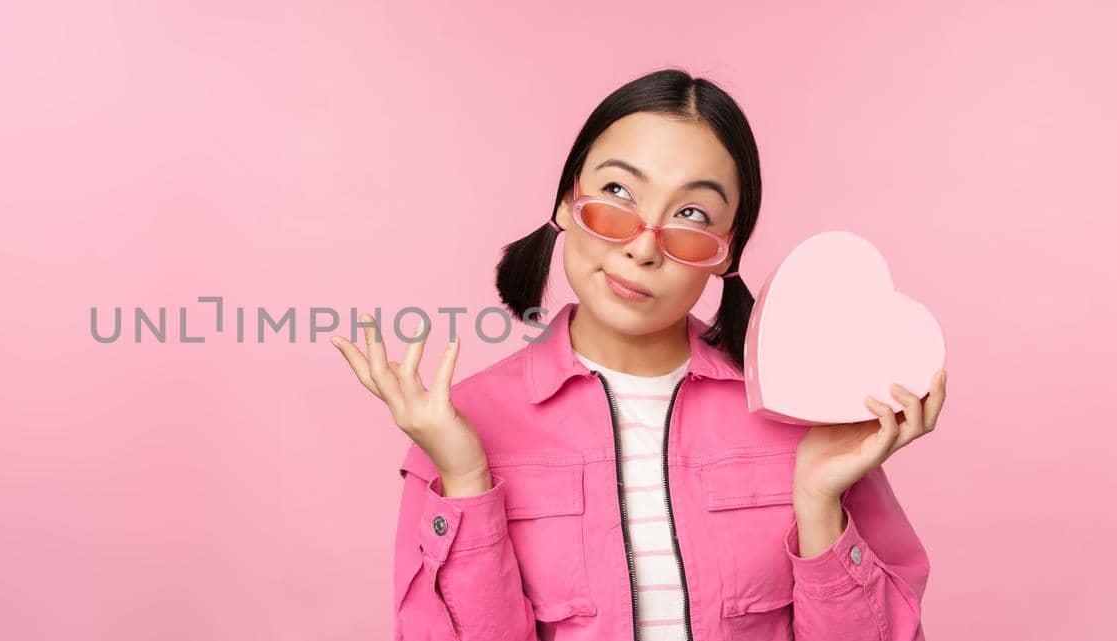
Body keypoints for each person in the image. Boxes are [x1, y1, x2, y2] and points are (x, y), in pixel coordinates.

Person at [330, 68, 945, 641]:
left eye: (690, 213)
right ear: (566, 204)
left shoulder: (801, 407)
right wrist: (466, 479)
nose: (643, 247)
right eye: (617, 191)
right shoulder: (460, 423)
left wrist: (818, 503)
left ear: (727, 251)